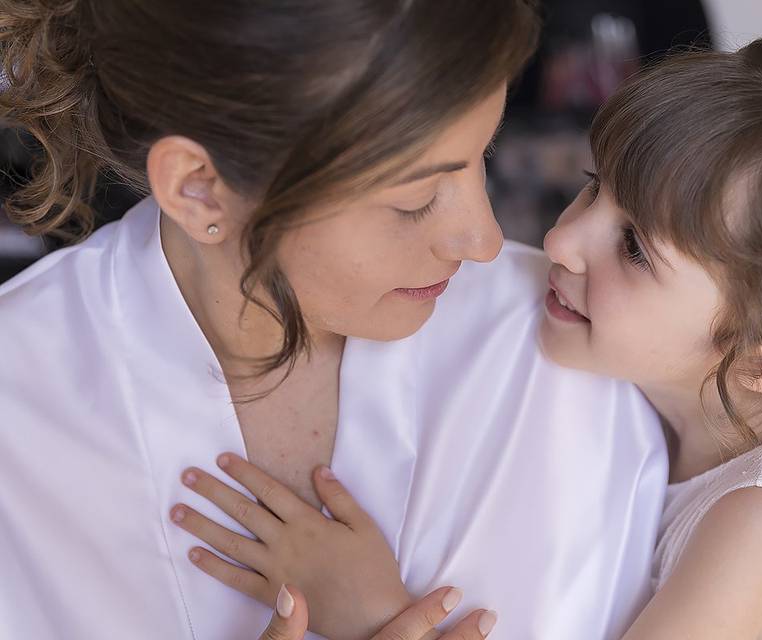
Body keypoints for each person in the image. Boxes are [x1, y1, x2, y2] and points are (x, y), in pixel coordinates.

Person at [185, 39, 762, 638]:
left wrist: (370, 608)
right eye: (594, 186)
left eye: (633, 248)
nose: (562, 241)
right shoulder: (727, 430)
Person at [0, 1, 667, 639]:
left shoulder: (564, 362)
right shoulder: (20, 406)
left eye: (478, 158)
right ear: (199, 186)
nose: (484, 241)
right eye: (414, 199)